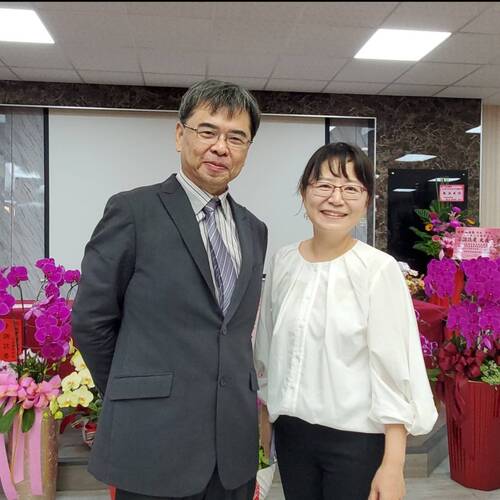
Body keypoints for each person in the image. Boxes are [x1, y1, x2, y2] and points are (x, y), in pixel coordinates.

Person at [71, 79, 268, 500]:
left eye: (236, 138)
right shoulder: (133, 211)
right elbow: (91, 321)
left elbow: (231, 332)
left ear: (247, 149)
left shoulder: (255, 229)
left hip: (232, 449)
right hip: (151, 439)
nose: (221, 147)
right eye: (207, 131)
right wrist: (133, 392)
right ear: (180, 135)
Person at [254, 142, 438, 500]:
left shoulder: (377, 269)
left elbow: (394, 369)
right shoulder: (283, 262)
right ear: (304, 191)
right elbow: (266, 351)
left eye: (350, 188)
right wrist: (264, 423)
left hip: (356, 442)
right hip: (291, 436)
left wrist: (393, 465)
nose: (335, 198)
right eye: (323, 185)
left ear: (366, 200)